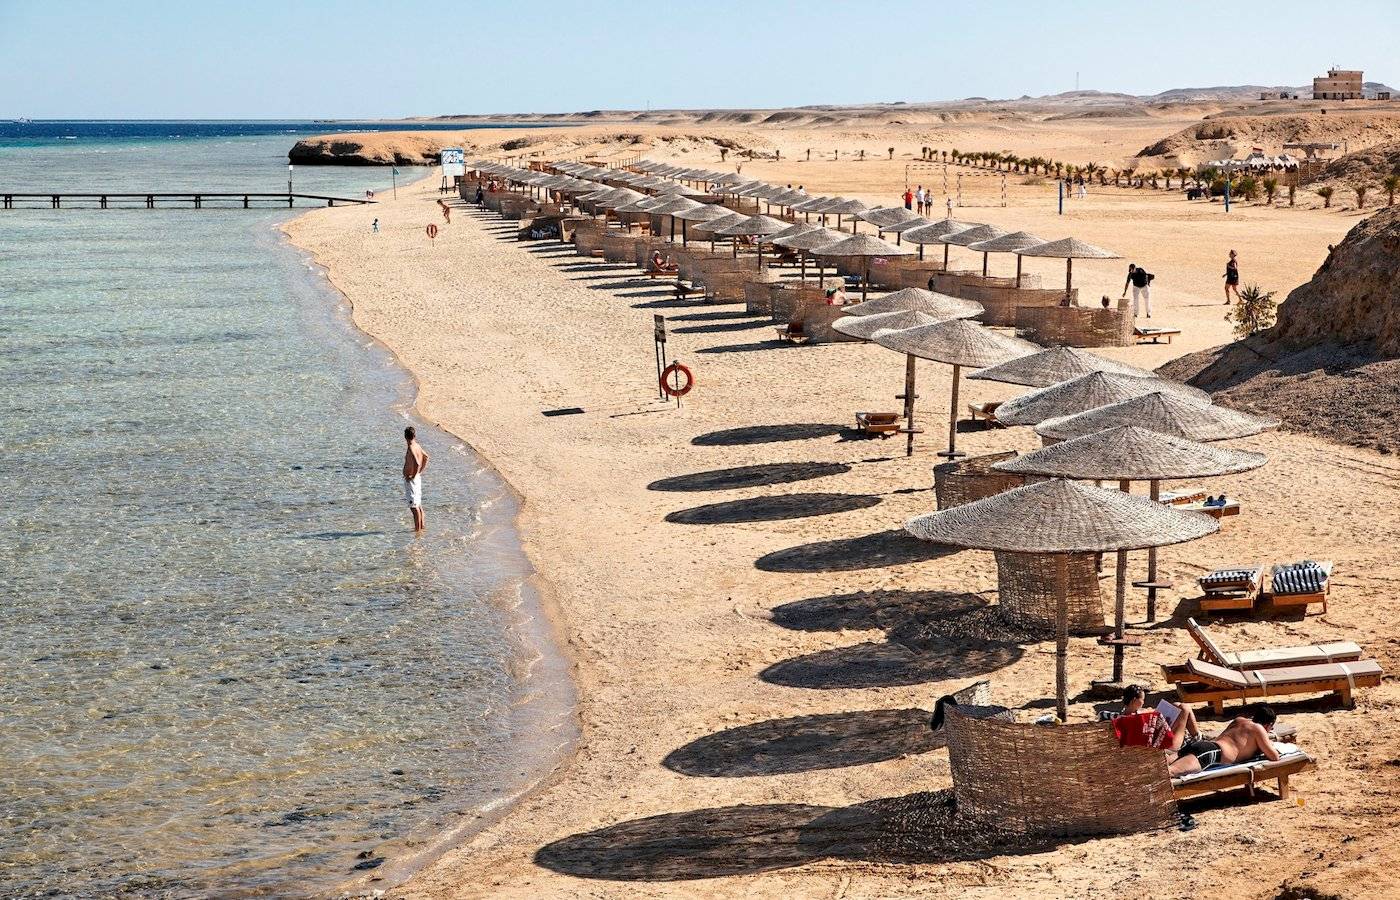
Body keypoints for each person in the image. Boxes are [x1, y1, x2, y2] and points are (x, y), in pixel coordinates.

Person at [1168, 706, 1279, 776]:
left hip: (1203, 745)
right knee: (1170, 772)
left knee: (1162, 766)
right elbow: (1274, 756)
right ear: (1268, 725)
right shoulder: (1259, 729)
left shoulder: (1239, 720)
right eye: (1271, 727)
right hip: (1211, 753)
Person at [402, 426, 429, 533]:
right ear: (414, 435)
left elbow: (417, 463)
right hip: (417, 478)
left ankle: (417, 531)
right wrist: (419, 472)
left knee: (414, 507)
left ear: (405, 437)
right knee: (418, 504)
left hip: (412, 480)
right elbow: (426, 457)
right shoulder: (417, 445)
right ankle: (421, 528)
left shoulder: (411, 448)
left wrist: (413, 476)